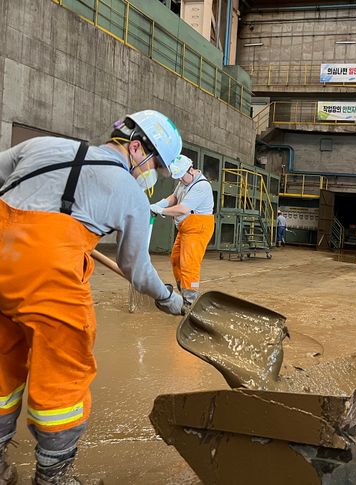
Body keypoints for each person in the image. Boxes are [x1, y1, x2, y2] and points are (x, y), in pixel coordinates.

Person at [0, 110, 185, 485]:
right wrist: (167, 297)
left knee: (2, 364)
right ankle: (53, 477)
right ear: (136, 148)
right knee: (63, 377)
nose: (155, 178)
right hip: (47, 278)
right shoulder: (127, 190)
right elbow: (135, 267)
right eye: (158, 169)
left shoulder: (41, 145)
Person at [150, 155, 215, 305]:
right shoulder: (184, 181)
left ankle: (189, 301)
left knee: (189, 264)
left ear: (190, 170)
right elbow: (174, 197)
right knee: (176, 259)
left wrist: (160, 210)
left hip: (198, 228)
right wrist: (159, 203)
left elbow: (182, 208)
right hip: (186, 228)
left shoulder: (201, 186)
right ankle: (183, 290)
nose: (180, 180)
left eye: (181, 177)